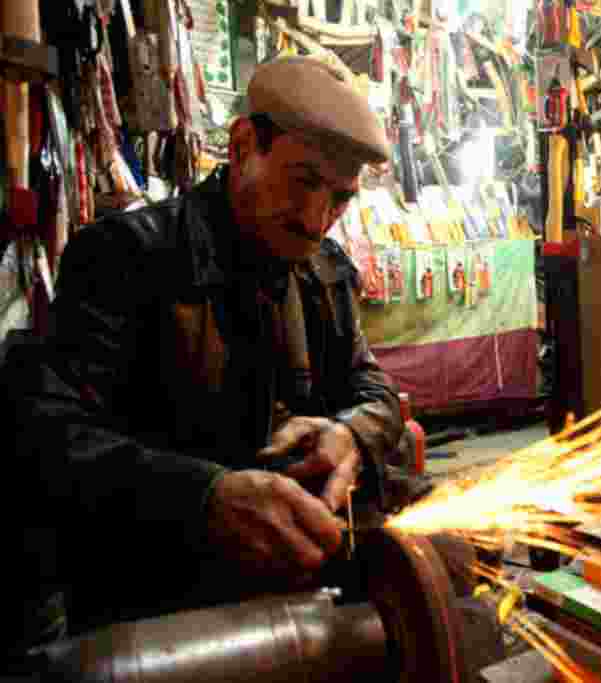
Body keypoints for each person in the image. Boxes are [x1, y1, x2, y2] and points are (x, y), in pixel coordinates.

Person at [3, 57, 408, 641]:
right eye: (303, 182)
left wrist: (348, 433)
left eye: (341, 199)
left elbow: (375, 391)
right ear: (244, 145)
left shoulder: (325, 271)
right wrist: (204, 497)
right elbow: (44, 435)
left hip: (302, 605)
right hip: (159, 618)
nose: (319, 220)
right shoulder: (125, 257)